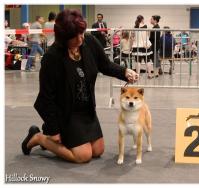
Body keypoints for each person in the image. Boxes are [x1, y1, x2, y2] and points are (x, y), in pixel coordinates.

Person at [21, 9, 139, 163]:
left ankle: (59, 140)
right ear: (63, 38)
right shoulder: (52, 58)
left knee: (98, 150)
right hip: (66, 113)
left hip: (87, 110)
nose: (81, 38)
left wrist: (125, 72)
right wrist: (54, 129)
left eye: (82, 33)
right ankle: (39, 138)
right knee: (83, 156)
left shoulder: (89, 41)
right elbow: (45, 98)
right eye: (75, 36)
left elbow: (106, 65)